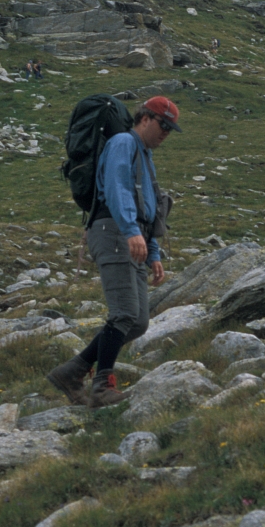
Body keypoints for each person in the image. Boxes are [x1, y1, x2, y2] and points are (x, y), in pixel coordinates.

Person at [47, 96, 181, 407]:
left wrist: (153, 253)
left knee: (138, 322)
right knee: (124, 313)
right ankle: (102, 386)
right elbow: (117, 187)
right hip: (113, 232)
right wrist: (131, 231)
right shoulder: (123, 142)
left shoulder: (144, 154)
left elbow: (148, 209)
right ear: (145, 118)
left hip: (131, 236)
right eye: (163, 125)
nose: (166, 133)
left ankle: (72, 372)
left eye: (170, 129)